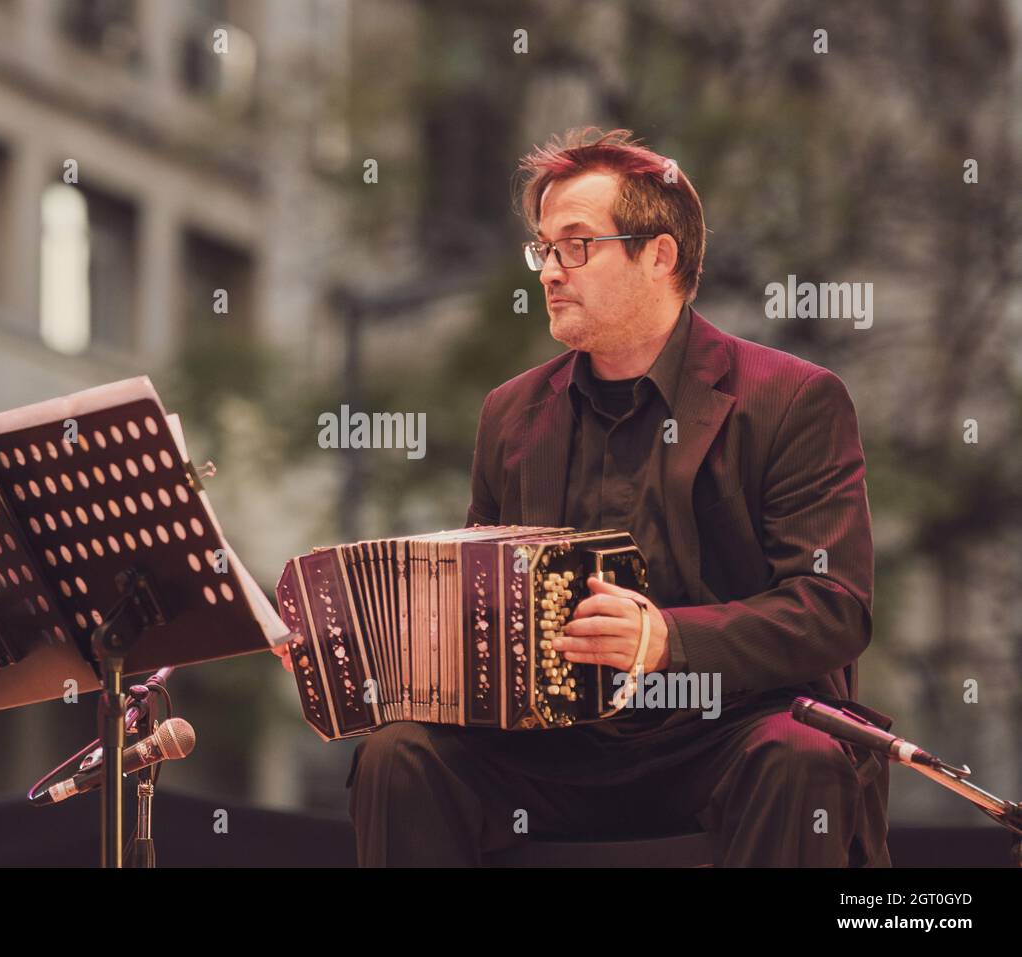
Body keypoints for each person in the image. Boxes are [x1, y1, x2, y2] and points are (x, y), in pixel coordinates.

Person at [275, 127, 891, 867]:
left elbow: (833, 609)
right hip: (556, 745)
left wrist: (668, 639)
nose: (549, 271)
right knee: (398, 753)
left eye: (576, 245)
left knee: (801, 756)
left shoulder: (793, 399)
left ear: (657, 255)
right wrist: (360, 650)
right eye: (543, 250)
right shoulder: (511, 411)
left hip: (726, 732)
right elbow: (483, 608)